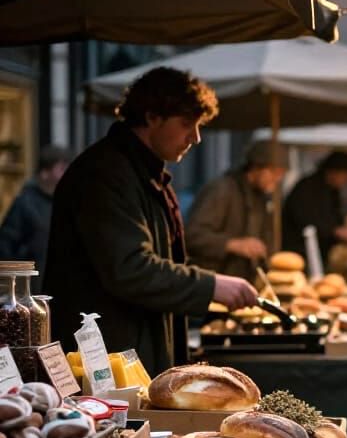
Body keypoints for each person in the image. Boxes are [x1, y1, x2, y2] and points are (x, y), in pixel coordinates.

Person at [44, 66, 258, 374]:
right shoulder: (106, 173)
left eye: (199, 126)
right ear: (151, 116)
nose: (196, 138)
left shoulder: (142, 172)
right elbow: (131, 268)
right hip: (104, 362)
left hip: (128, 354)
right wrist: (211, 286)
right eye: (187, 124)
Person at [184, 139, 287, 282]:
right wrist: (233, 244)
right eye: (273, 172)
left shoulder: (262, 197)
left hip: (243, 282)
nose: (277, 179)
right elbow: (192, 235)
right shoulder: (222, 190)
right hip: (212, 282)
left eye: (281, 174)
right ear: (256, 167)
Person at [0, 145, 70, 288]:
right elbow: (6, 246)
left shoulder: (67, 202)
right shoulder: (25, 203)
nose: (67, 174)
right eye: (61, 169)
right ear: (45, 172)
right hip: (32, 287)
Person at [281, 149, 347, 265]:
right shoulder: (307, 188)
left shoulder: (332, 191)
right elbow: (304, 219)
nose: (346, 181)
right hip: (299, 251)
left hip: (321, 253)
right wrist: (335, 231)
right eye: (345, 176)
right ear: (334, 172)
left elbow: (335, 217)